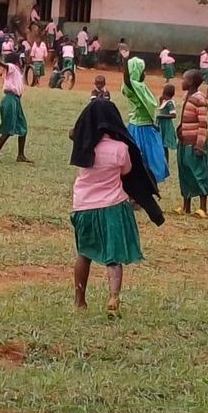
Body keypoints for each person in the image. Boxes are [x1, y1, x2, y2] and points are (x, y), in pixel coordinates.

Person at [69, 98, 157, 317]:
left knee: (84, 253)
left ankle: (79, 301)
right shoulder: (120, 149)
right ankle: (113, 297)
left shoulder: (83, 146)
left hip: (83, 205)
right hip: (112, 206)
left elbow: (74, 134)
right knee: (114, 256)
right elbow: (126, 172)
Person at [121, 56, 170, 184]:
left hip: (136, 126)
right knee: (149, 159)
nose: (145, 73)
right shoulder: (136, 87)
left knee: (140, 159)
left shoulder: (133, 86)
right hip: (142, 128)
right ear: (137, 72)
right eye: (143, 70)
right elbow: (150, 105)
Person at [177, 69, 208, 218]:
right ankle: (186, 206)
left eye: (184, 79)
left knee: (199, 173)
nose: (182, 81)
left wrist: (200, 145)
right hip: (184, 143)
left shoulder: (200, 99)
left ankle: (202, 207)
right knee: (185, 173)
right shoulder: (187, 96)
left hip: (195, 144)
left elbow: (203, 123)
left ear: (191, 82)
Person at [0, 52, 32, 163]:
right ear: (16, 60)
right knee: (8, 128)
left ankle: (21, 155)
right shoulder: (12, 67)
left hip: (16, 100)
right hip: (10, 99)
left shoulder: (17, 71)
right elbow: (6, 65)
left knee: (23, 127)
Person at [156, 84, 179, 177]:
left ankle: (166, 164)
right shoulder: (164, 101)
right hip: (161, 125)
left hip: (166, 125)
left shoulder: (170, 103)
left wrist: (161, 116)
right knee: (160, 144)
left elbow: (173, 115)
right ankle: (162, 163)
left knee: (164, 145)